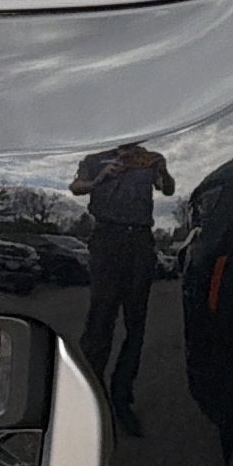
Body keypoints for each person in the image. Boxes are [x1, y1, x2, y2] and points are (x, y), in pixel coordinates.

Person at [72, 142, 174, 432]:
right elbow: (76, 187)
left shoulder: (151, 158)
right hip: (107, 237)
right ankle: (89, 396)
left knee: (136, 322)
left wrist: (163, 171)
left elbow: (166, 189)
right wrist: (99, 178)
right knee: (100, 318)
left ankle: (121, 395)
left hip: (140, 239)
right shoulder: (94, 158)